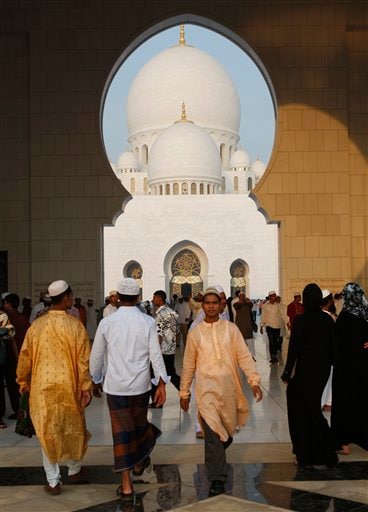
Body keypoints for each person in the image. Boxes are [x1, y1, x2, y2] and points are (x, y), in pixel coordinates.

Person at [90, 278, 168, 503]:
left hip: (116, 387)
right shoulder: (147, 322)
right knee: (137, 425)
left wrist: (95, 379)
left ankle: (127, 483)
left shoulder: (107, 322)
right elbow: (156, 354)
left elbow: (96, 357)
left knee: (122, 433)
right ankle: (139, 461)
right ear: (137, 297)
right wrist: (161, 383)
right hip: (140, 386)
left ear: (119, 297)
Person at [180, 287, 262, 497]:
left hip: (228, 390)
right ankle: (217, 478)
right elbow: (188, 364)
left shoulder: (231, 329)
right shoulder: (195, 333)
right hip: (205, 390)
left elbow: (244, 356)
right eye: (207, 303)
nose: (210, 306)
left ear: (220, 305)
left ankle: (217, 453)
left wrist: (254, 381)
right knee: (212, 436)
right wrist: (184, 393)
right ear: (202, 305)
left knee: (225, 435)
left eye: (214, 303)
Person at [16, 280, 92, 495]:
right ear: (66, 298)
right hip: (70, 384)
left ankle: (53, 481)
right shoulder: (75, 325)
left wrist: (23, 381)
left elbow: (25, 357)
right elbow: (83, 360)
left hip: (42, 387)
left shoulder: (37, 326)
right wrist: (85, 386)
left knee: (46, 430)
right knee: (74, 425)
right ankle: (74, 469)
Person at [281, 283, 338, 467]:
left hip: (306, 372)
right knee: (311, 407)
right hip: (321, 372)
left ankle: (308, 451)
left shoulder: (301, 320)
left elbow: (294, 349)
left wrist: (288, 371)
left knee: (303, 410)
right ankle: (322, 450)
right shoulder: (327, 320)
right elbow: (333, 348)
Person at [331, 282, 368, 455]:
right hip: (364, 368)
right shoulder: (365, 315)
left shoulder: (345, 318)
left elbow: (337, 345)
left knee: (345, 405)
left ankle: (343, 443)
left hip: (346, 370)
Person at [150, 290, 180, 407]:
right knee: (170, 373)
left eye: (154, 297)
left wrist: (155, 350)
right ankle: (184, 390)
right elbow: (176, 331)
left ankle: (157, 401)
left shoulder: (160, 314)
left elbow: (159, 334)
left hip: (161, 349)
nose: (153, 300)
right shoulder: (171, 312)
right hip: (170, 349)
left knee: (155, 373)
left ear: (159, 298)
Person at [260, 291, 288, 364]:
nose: (274, 297)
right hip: (269, 326)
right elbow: (263, 316)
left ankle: (274, 354)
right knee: (271, 341)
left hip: (277, 326)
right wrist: (261, 326)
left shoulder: (278, 305)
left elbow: (282, 314)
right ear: (269, 297)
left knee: (276, 342)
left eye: (275, 296)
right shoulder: (265, 306)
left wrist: (287, 322)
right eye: (273, 296)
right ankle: (273, 357)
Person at [234, 293, 256, 360]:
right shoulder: (236, 304)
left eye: (243, 296)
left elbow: (251, 305)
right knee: (240, 342)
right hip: (240, 325)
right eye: (241, 296)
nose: (242, 297)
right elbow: (237, 306)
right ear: (239, 297)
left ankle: (251, 356)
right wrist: (242, 302)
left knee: (250, 342)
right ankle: (241, 356)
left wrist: (248, 301)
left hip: (248, 325)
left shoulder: (248, 304)